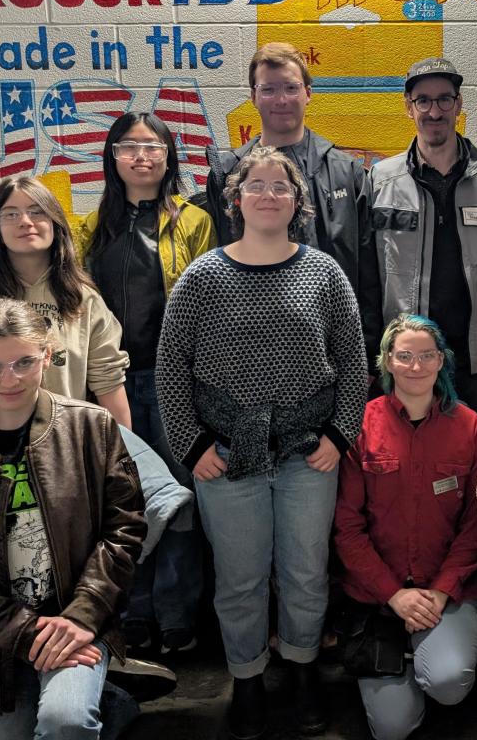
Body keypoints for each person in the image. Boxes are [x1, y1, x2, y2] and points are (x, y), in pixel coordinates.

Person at [156, 145, 367, 740]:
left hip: (309, 453)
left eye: (281, 186)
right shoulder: (203, 277)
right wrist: (192, 446)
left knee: (304, 572)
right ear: (236, 198)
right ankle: (246, 678)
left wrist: (339, 433)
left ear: (298, 202)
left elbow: (352, 364)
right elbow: (171, 369)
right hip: (227, 456)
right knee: (241, 577)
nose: (269, 194)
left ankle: (301, 670)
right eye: (257, 185)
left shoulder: (324, 274)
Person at [0, 299, 147, 739]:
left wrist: (82, 614)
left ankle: (92, 703)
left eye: (23, 361)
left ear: (47, 355)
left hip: (76, 619)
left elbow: (124, 528)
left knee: (65, 722)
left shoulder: (90, 428)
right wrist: (27, 632)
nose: (9, 379)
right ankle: (113, 705)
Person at [77, 111, 215, 656]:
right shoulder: (92, 227)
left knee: (178, 498)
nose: (141, 156)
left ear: (168, 155)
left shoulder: (194, 221)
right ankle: (132, 610)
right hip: (109, 381)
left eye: (152, 145)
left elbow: (209, 303)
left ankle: (178, 612)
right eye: (128, 146)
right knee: (121, 499)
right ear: (112, 158)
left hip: (174, 381)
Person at [334, 314, 477, 740]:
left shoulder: (470, 427)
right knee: (391, 729)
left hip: (447, 591)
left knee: (448, 683)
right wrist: (393, 594)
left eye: (426, 356)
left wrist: (439, 592)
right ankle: (404, 663)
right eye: (404, 356)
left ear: (442, 361)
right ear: (387, 361)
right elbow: (347, 527)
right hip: (377, 595)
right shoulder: (361, 424)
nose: (416, 366)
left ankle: (427, 662)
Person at [188, 41, 381, 364]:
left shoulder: (347, 173)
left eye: (291, 88)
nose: (281, 100)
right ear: (253, 96)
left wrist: (368, 349)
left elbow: (371, 271)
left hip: (333, 350)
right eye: (269, 89)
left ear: (308, 93)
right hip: (249, 350)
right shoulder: (228, 174)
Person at [370, 57, 477, 432]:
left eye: (444, 99)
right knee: (407, 460)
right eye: (423, 101)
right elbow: (369, 272)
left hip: (475, 356)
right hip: (408, 358)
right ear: (408, 107)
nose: (435, 111)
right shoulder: (381, 179)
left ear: (459, 104)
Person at [0, 175, 131, 428]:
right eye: (10, 214)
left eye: (37, 212)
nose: (25, 222)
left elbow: (109, 381)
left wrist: (123, 456)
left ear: (55, 223)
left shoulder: (83, 298)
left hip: (65, 442)